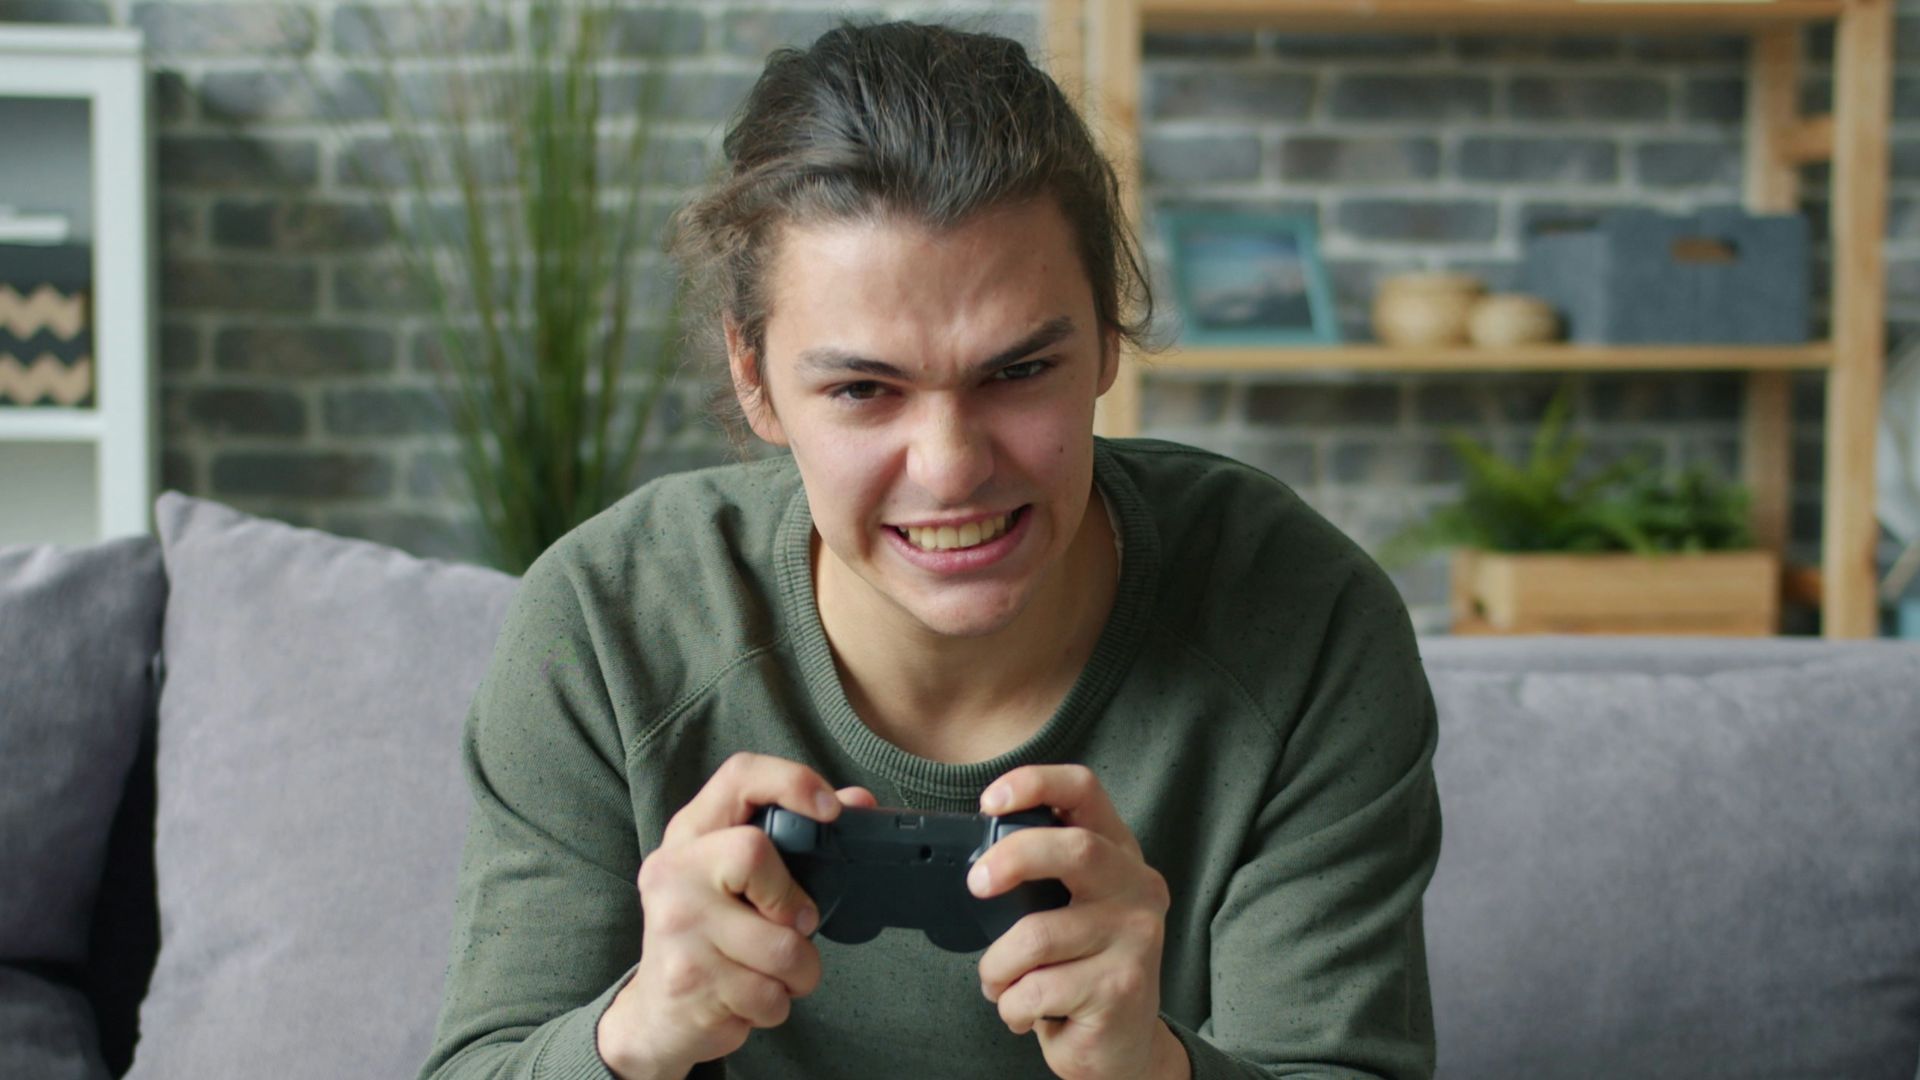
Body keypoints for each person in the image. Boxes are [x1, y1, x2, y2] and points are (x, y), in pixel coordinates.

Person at [417, 18, 1442, 1080]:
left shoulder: (1304, 617)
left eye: (1017, 373)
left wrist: (1151, 1065)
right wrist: (628, 1038)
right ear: (754, 378)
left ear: (1106, 339)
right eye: (864, 389)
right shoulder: (608, 624)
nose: (951, 469)